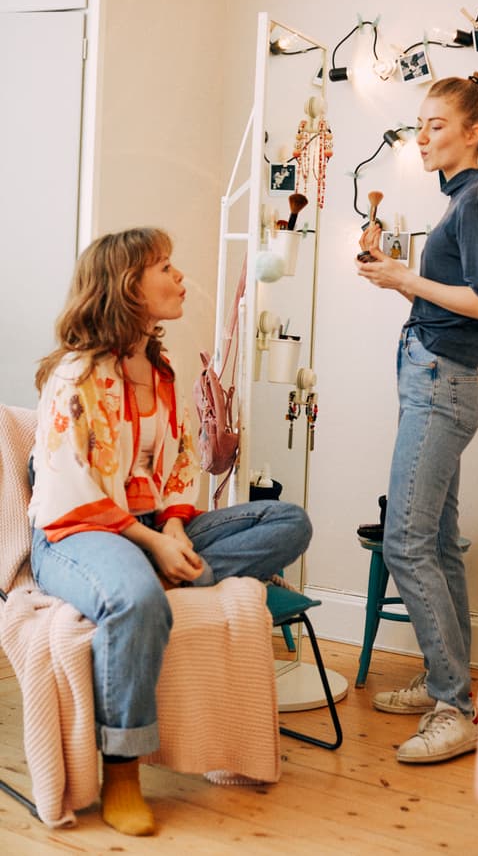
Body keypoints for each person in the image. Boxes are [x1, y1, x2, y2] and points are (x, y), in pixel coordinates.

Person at [28, 227, 312, 835]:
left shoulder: (159, 369)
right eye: (165, 267)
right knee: (135, 599)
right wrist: (153, 543)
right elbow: (75, 489)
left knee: (287, 522)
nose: (180, 277)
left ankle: (167, 572)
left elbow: (180, 464)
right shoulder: (77, 375)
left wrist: (176, 529)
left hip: (152, 528)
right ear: (128, 286)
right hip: (75, 533)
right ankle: (123, 768)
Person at [356, 71, 478, 764]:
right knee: (438, 543)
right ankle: (444, 683)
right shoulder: (465, 200)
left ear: (473, 132)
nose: (422, 138)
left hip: (440, 386)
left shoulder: (477, 201)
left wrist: (406, 280)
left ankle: (454, 706)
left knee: (407, 541)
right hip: (432, 377)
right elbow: (450, 303)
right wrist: (400, 279)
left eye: (436, 126)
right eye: (419, 126)